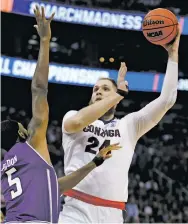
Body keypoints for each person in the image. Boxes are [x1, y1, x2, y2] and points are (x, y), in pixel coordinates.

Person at [1, 6, 121, 223]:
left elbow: (57, 187)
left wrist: (94, 163)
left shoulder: (5, 171)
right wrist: (45, 42)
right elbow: (39, 89)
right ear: (21, 132)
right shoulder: (32, 145)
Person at [59, 27, 181, 223]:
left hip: (113, 213)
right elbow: (79, 122)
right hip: (76, 209)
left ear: (116, 100)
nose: (98, 92)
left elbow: (167, 99)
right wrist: (117, 94)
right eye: (95, 89)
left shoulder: (129, 126)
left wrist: (173, 55)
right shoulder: (73, 116)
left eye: (105, 89)